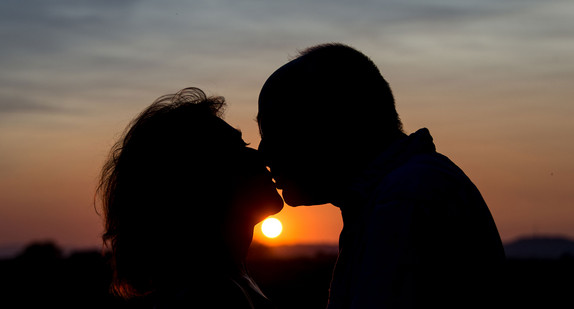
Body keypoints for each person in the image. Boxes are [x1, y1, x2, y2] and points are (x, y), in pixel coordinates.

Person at [257, 43, 505, 308]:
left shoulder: (405, 198)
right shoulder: (395, 194)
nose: (264, 153)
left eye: (278, 131)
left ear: (336, 122)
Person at [97, 87, 283, 308]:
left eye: (245, 144)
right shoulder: (211, 296)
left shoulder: (225, 282)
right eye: (236, 150)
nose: (260, 156)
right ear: (198, 181)